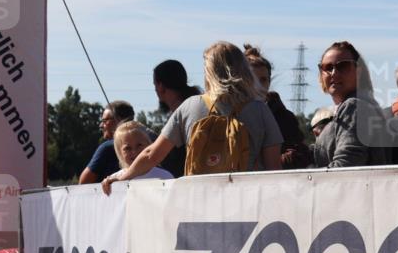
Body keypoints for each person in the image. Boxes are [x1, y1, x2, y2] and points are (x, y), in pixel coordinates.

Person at [103, 42, 282, 194]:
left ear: (209, 72)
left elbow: (151, 155)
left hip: (199, 200)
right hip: (244, 199)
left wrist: (122, 176)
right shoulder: (260, 110)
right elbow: (274, 170)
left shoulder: (189, 107)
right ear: (243, 70)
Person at [311, 41, 391, 168]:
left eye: (343, 66)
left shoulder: (354, 106)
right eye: (327, 67)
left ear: (358, 72)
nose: (334, 73)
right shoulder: (365, 104)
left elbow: (346, 166)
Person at [243, 44, 312, 169]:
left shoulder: (284, 117)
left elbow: (300, 154)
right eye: (252, 80)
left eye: (263, 80)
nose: (258, 86)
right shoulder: (229, 114)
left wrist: (268, 161)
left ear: (269, 82)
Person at [152, 59, 202, 178]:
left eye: (155, 85)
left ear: (160, 86)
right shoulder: (197, 105)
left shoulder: (180, 115)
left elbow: (152, 155)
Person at [78, 100, 134, 184]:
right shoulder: (150, 143)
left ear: (117, 120)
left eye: (105, 121)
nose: (101, 125)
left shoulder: (107, 148)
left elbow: (84, 182)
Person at [103, 121, 174, 182]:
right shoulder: (114, 179)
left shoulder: (165, 176)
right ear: (119, 152)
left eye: (139, 145)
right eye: (127, 148)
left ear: (149, 146)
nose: (134, 152)